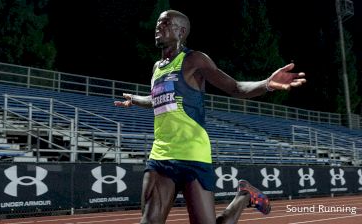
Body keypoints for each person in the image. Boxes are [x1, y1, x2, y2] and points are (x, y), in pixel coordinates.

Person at [114, 9, 306, 224]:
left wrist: (266, 84)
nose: (158, 27)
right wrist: (136, 100)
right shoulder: (157, 68)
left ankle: (243, 196)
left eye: (166, 23)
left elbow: (236, 88)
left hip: (193, 155)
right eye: (158, 23)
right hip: (161, 156)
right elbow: (158, 99)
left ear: (182, 31)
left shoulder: (194, 60)